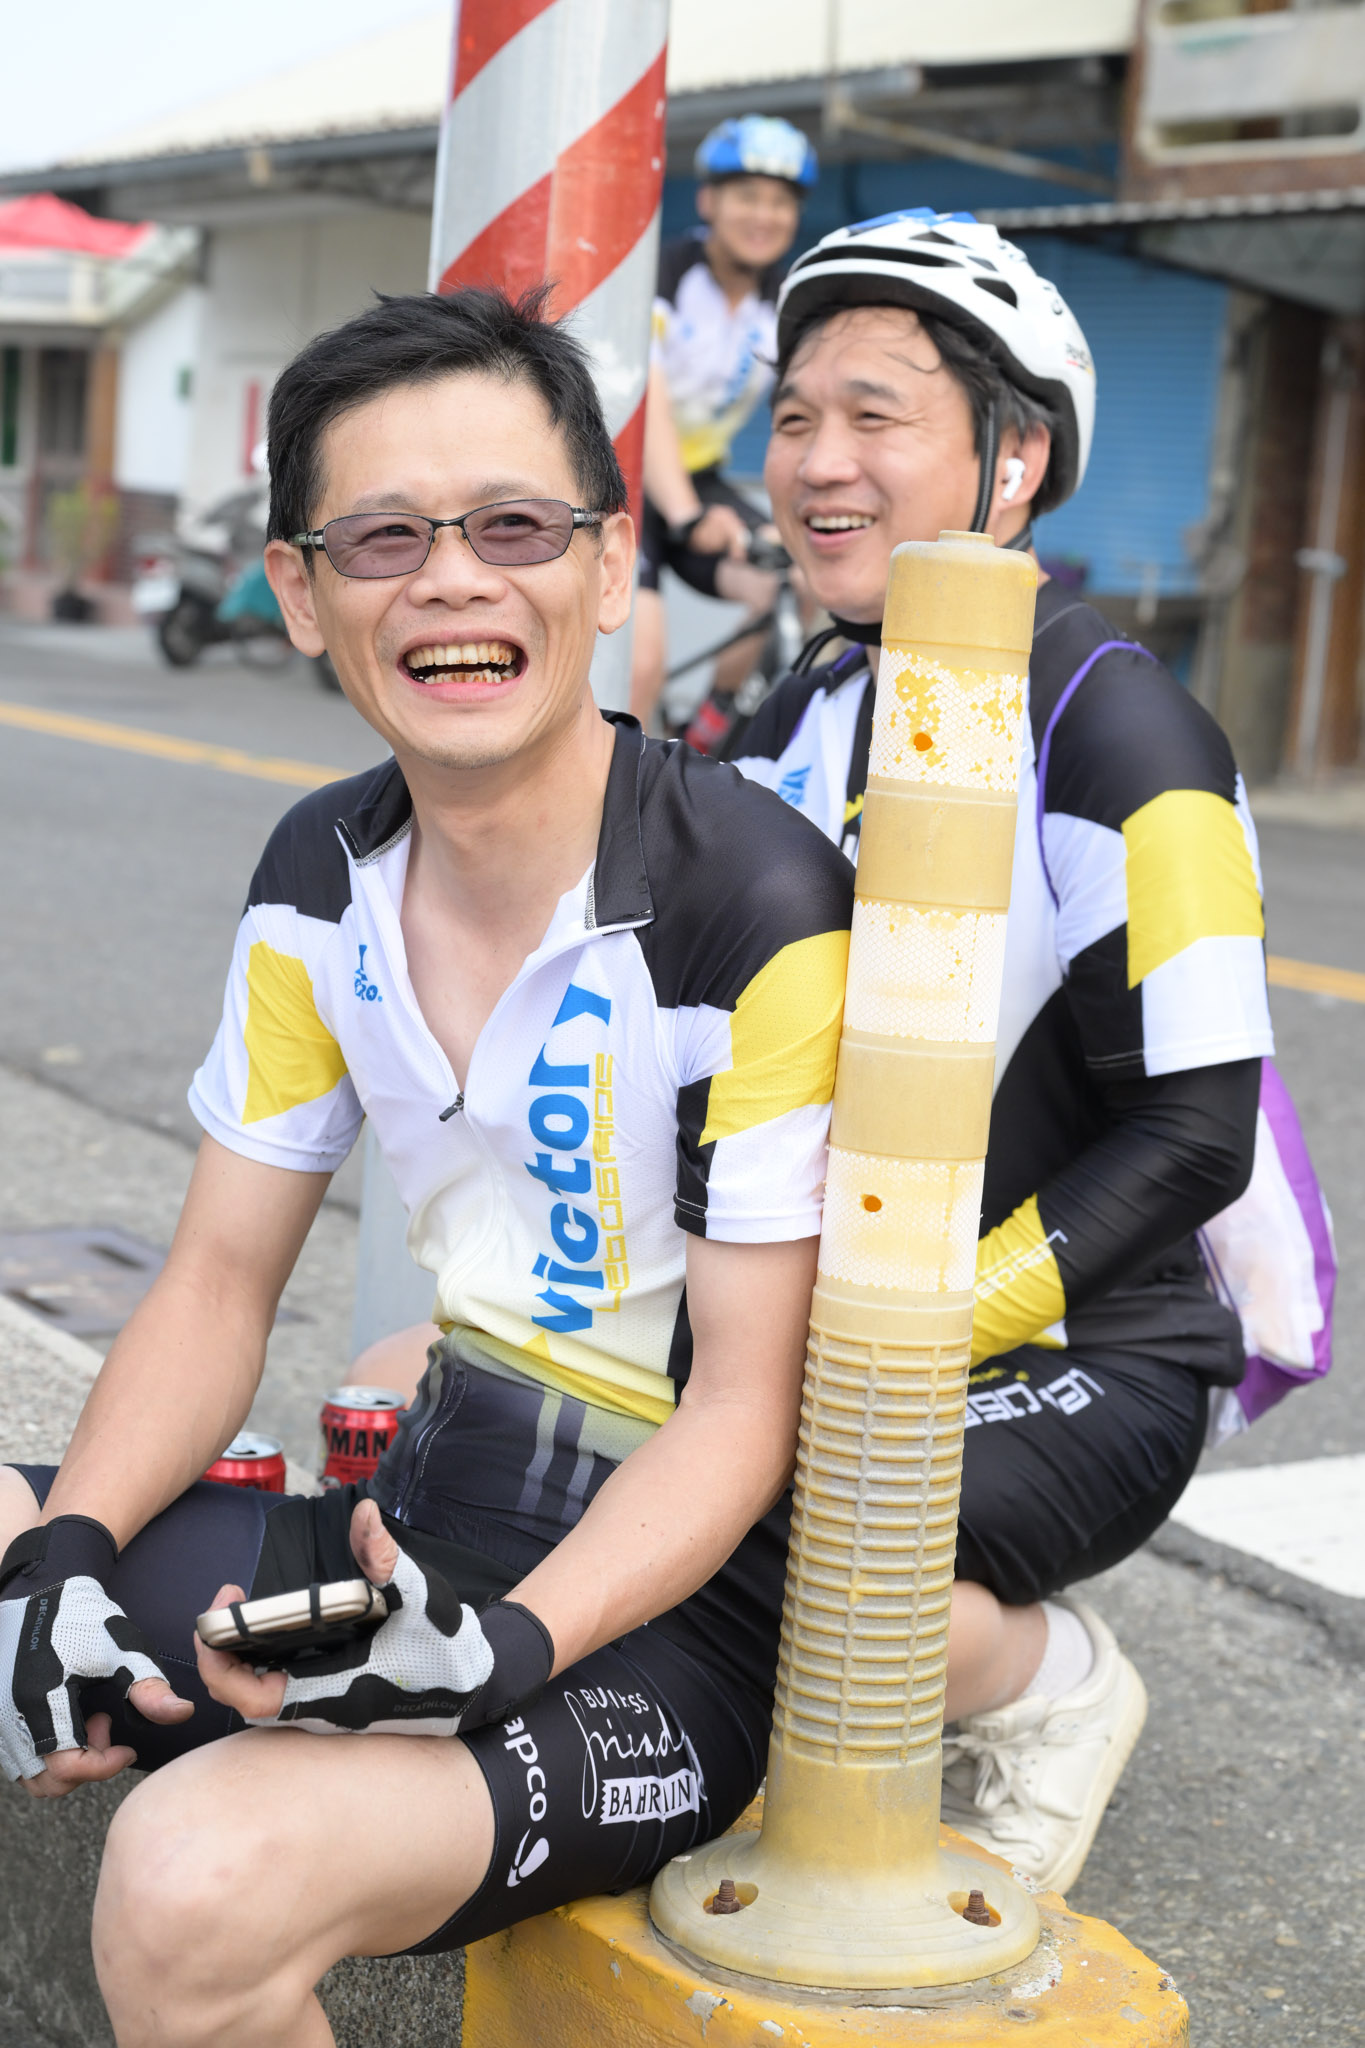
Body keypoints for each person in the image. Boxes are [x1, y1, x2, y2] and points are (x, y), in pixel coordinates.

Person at [0, 285, 855, 2047]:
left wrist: (508, 1649)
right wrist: (61, 1562)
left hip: (662, 1619)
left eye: (513, 527)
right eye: (384, 537)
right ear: (299, 591)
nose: (452, 581)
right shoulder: (320, 872)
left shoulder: (750, 902)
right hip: (419, 1520)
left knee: (187, 1881)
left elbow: (742, 1407)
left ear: (607, 570)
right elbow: (215, 1283)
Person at [731, 210, 1275, 1893]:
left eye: (875, 415)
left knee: (757, 1548)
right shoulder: (801, 711)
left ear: (1016, 460)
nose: (819, 461)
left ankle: (1047, 1683)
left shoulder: (1122, 728)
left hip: (1090, 1348)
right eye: (795, 416)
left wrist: (913, 1336)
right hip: (833, 1320)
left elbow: (1199, 1136)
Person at [629, 115, 818, 728]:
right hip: (625, 483)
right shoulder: (663, 276)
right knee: (640, 666)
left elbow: (808, 413)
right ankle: (620, 781)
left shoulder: (785, 302)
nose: (764, 215)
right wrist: (687, 518)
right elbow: (649, 400)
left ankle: (707, 731)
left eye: (780, 202)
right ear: (708, 201)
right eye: (747, 196)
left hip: (701, 481)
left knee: (803, 582)